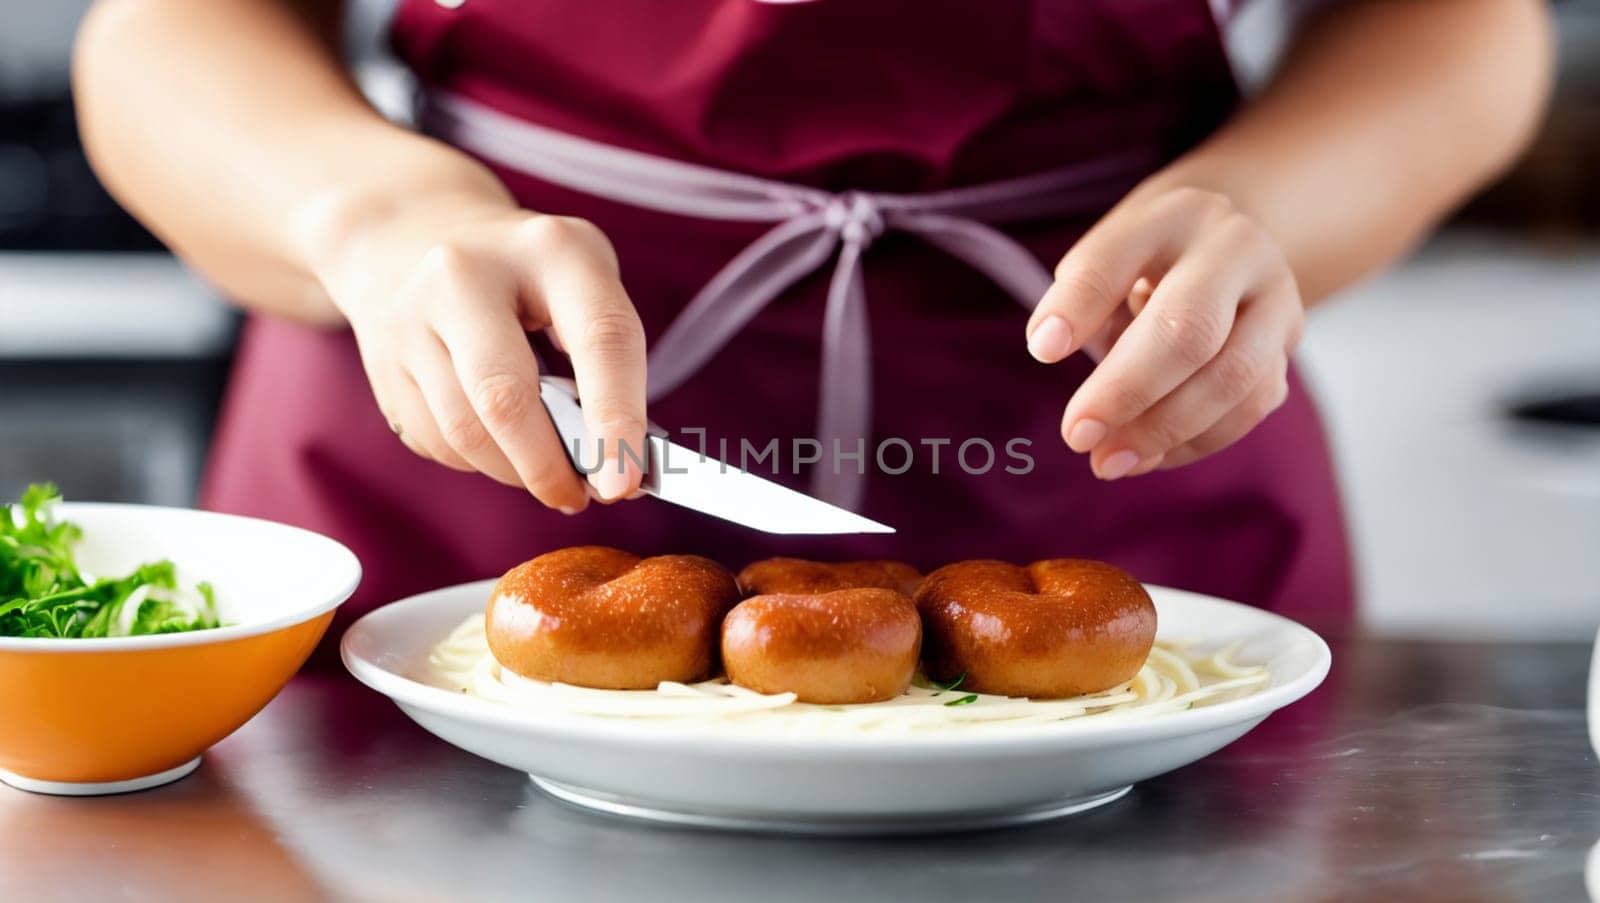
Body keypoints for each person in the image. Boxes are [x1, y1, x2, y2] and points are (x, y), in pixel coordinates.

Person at [74, 0, 1551, 661]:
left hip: (1107, 410)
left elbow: (1461, 21)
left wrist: (1271, 207)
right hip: (486, 407)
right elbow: (165, 29)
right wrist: (372, 219)